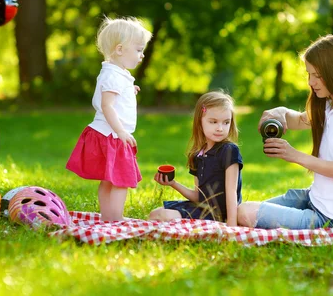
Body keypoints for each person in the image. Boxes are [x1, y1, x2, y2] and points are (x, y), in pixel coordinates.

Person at [237, 34, 333, 231]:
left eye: (317, 76)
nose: (311, 82)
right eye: (309, 74)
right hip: (315, 197)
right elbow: (298, 120)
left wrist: (294, 155)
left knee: (244, 213)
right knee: (239, 210)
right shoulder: (331, 105)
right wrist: (278, 112)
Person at [66, 16, 152, 221]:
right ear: (120, 50)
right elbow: (107, 105)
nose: (142, 55)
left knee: (108, 180)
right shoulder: (113, 76)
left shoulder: (115, 73)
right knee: (121, 180)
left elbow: (113, 96)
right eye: (139, 50)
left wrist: (129, 91)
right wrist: (121, 131)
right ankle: (115, 219)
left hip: (106, 133)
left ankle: (107, 216)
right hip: (112, 134)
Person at [149, 91, 243, 226]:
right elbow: (199, 197)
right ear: (200, 122)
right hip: (203, 208)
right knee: (155, 214)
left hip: (219, 213)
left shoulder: (229, 150)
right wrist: (173, 183)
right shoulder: (197, 155)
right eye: (213, 122)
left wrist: (231, 224)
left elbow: (231, 192)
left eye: (226, 122)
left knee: (164, 216)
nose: (220, 128)